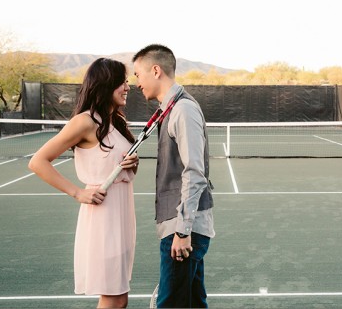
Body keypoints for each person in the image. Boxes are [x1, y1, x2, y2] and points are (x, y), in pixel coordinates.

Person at [28, 58, 139, 309]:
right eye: (122, 82)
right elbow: (38, 161)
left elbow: (116, 169)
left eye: (128, 81)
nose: (127, 87)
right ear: (105, 84)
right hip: (102, 217)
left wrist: (132, 164)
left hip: (122, 215)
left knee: (119, 298)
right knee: (114, 298)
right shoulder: (85, 121)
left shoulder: (115, 123)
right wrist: (78, 193)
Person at [132, 44, 215, 308]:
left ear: (155, 70)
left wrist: (182, 230)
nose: (136, 83)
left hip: (182, 228)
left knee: (171, 304)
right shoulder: (171, 109)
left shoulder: (183, 110)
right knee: (192, 302)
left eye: (137, 74)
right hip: (181, 227)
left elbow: (194, 172)